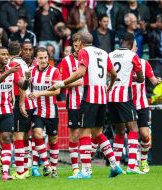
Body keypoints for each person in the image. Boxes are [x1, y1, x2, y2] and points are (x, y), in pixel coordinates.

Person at [49, 32, 122, 179]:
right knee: (97, 133)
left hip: (89, 97)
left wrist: (62, 83)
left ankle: (86, 171)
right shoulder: (102, 52)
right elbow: (114, 73)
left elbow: (80, 72)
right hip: (102, 98)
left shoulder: (84, 51)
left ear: (81, 43)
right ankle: (115, 165)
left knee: (83, 133)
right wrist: (109, 86)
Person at [0, 46, 30, 181]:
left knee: (7, 137)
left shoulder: (13, 70)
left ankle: (5, 172)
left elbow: (23, 86)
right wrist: (9, 72)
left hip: (7, 110)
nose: (6, 57)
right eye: (2, 54)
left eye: (7, 54)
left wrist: (26, 79)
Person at [108, 32, 144, 174]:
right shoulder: (132, 56)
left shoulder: (110, 55)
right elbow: (140, 78)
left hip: (110, 95)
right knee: (133, 128)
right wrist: (135, 78)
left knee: (119, 130)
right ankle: (132, 165)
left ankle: (116, 165)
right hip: (123, 95)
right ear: (131, 42)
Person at [27, 47, 62, 178]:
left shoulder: (55, 71)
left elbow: (57, 91)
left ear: (48, 58)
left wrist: (39, 93)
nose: (43, 60)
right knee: (37, 133)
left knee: (53, 140)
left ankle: (54, 169)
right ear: (35, 59)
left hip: (52, 111)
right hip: (37, 110)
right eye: (40, 58)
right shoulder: (30, 72)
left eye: (45, 57)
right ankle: (46, 165)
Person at [131, 41, 161, 173]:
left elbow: (153, 80)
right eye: (134, 45)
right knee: (129, 134)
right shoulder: (122, 63)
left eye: (136, 46)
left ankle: (143, 159)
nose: (136, 47)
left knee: (144, 134)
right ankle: (131, 163)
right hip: (126, 104)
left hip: (141, 104)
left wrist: (157, 81)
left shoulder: (144, 63)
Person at [7, 41, 36, 179]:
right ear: (19, 52)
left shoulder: (13, 64)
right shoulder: (23, 63)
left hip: (21, 101)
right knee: (23, 136)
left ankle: (20, 172)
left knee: (17, 136)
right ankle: (24, 169)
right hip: (29, 102)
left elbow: (21, 84)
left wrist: (21, 103)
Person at [59, 33, 83, 176]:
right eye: (75, 44)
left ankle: (86, 164)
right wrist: (79, 82)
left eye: (80, 44)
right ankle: (75, 166)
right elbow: (63, 83)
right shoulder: (66, 61)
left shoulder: (89, 59)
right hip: (74, 101)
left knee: (91, 133)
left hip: (89, 101)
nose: (78, 47)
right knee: (74, 134)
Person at [20, 40, 40, 177]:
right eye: (25, 49)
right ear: (21, 50)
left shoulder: (38, 65)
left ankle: (35, 165)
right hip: (23, 104)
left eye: (30, 50)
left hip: (38, 105)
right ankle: (27, 164)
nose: (28, 52)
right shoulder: (17, 64)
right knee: (24, 135)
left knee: (37, 134)